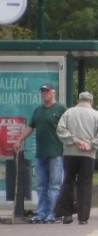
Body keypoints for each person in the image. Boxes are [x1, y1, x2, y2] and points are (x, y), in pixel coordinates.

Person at [14, 84, 67, 224]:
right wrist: (19, 139)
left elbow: (68, 126)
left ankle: (54, 212)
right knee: (41, 185)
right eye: (42, 91)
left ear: (53, 92)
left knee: (55, 185)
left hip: (56, 152)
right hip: (41, 153)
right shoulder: (38, 111)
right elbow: (30, 127)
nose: (44, 94)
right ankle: (42, 212)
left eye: (47, 91)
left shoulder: (60, 109)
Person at [55, 91, 98, 226]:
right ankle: (83, 217)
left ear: (79, 100)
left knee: (68, 181)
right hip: (88, 155)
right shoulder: (97, 115)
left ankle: (67, 214)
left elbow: (60, 129)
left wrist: (73, 141)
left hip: (70, 153)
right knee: (85, 184)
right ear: (91, 101)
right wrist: (92, 145)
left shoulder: (69, 112)